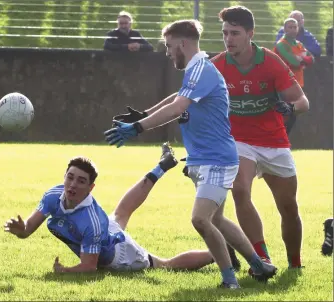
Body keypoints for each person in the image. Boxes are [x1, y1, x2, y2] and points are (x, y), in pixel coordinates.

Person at [105, 19, 277, 288]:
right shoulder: (196, 70)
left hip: (217, 160)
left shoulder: (201, 69)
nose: (167, 52)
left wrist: (138, 127)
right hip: (205, 159)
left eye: (169, 46)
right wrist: (146, 114)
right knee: (217, 219)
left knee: (200, 219)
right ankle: (259, 266)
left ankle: (230, 281)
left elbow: (177, 107)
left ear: (183, 43)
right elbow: (178, 97)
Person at [4, 144, 221, 273]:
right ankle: (162, 165)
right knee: (121, 212)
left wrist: (65, 271)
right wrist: (21, 229)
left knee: (163, 265)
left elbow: (90, 267)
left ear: (91, 188)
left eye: (80, 181)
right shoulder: (53, 195)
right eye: (70, 177)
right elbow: (27, 230)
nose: (72, 185)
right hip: (108, 229)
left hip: (120, 254)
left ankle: (219, 254)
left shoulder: (91, 222)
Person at [211, 6, 309, 272]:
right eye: (225, 33)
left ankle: (295, 264)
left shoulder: (271, 61)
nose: (228, 39)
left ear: (250, 34)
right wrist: (145, 119)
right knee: (240, 190)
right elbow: (184, 95)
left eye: (235, 33)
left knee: (288, 207)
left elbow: (302, 101)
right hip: (239, 141)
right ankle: (262, 259)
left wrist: (290, 109)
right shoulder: (217, 65)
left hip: (274, 142)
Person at [273, 18, 314, 134]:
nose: (292, 29)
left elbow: (311, 59)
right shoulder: (281, 45)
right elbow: (294, 62)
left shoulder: (299, 44)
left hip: (297, 84)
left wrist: (300, 59)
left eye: (294, 27)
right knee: (284, 115)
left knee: (292, 115)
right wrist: (301, 59)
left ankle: (283, 142)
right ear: (285, 29)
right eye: (289, 27)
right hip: (283, 85)